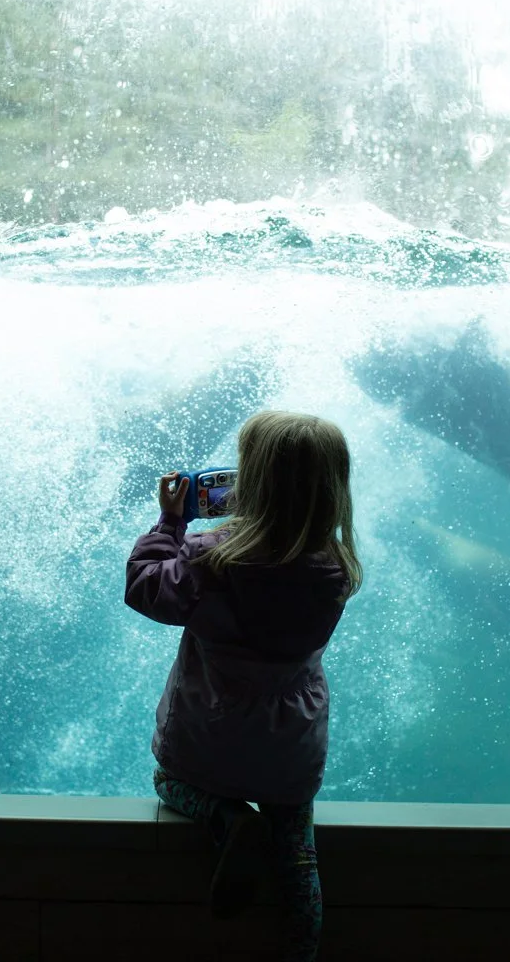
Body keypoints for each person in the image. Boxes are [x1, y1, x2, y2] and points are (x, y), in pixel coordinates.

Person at [125, 410, 362, 962]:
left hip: (208, 735)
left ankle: (227, 817)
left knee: (167, 781)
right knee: (298, 854)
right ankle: (301, 953)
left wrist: (169, 525)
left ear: (250, 484)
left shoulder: (211, 556)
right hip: (289, 746)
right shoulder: (337, 566)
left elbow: (145, 589)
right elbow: (281, 562)